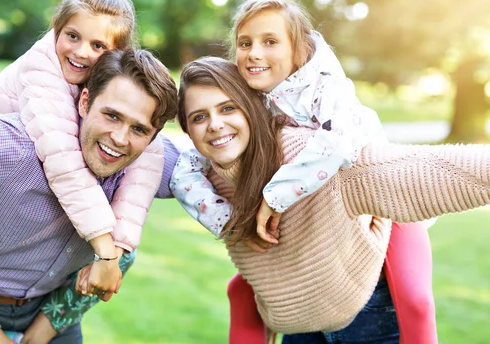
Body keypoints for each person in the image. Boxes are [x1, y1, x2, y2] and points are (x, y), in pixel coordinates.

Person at [171, 0, 436, 343]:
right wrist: (229, 223)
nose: (254, 52)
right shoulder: (256, 98)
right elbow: (184, 170)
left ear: (298, 50)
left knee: (414, 297)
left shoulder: (324, 86)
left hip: (387, 201)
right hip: (309, 252)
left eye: (270, 42)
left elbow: (336, 144)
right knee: (244, 287)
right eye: (245, 43)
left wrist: (274, 197)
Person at [173, 56, 490, 342]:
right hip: (301, 326)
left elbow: (417, 170)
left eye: (228, 108)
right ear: (187, 129)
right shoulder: (202, 180)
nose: (215, 124)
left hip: (368, 319)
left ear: (252, 108)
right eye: (199, 117)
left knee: (415, 297)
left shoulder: (308, 155)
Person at [0, 49, 179, 344]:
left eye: (139, 129)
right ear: (85, 102)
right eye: (111, 115)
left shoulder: (145, 167)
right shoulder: (13, 147)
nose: (120, 138)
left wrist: (47, 327)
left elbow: (217, 166)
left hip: (50, 312)